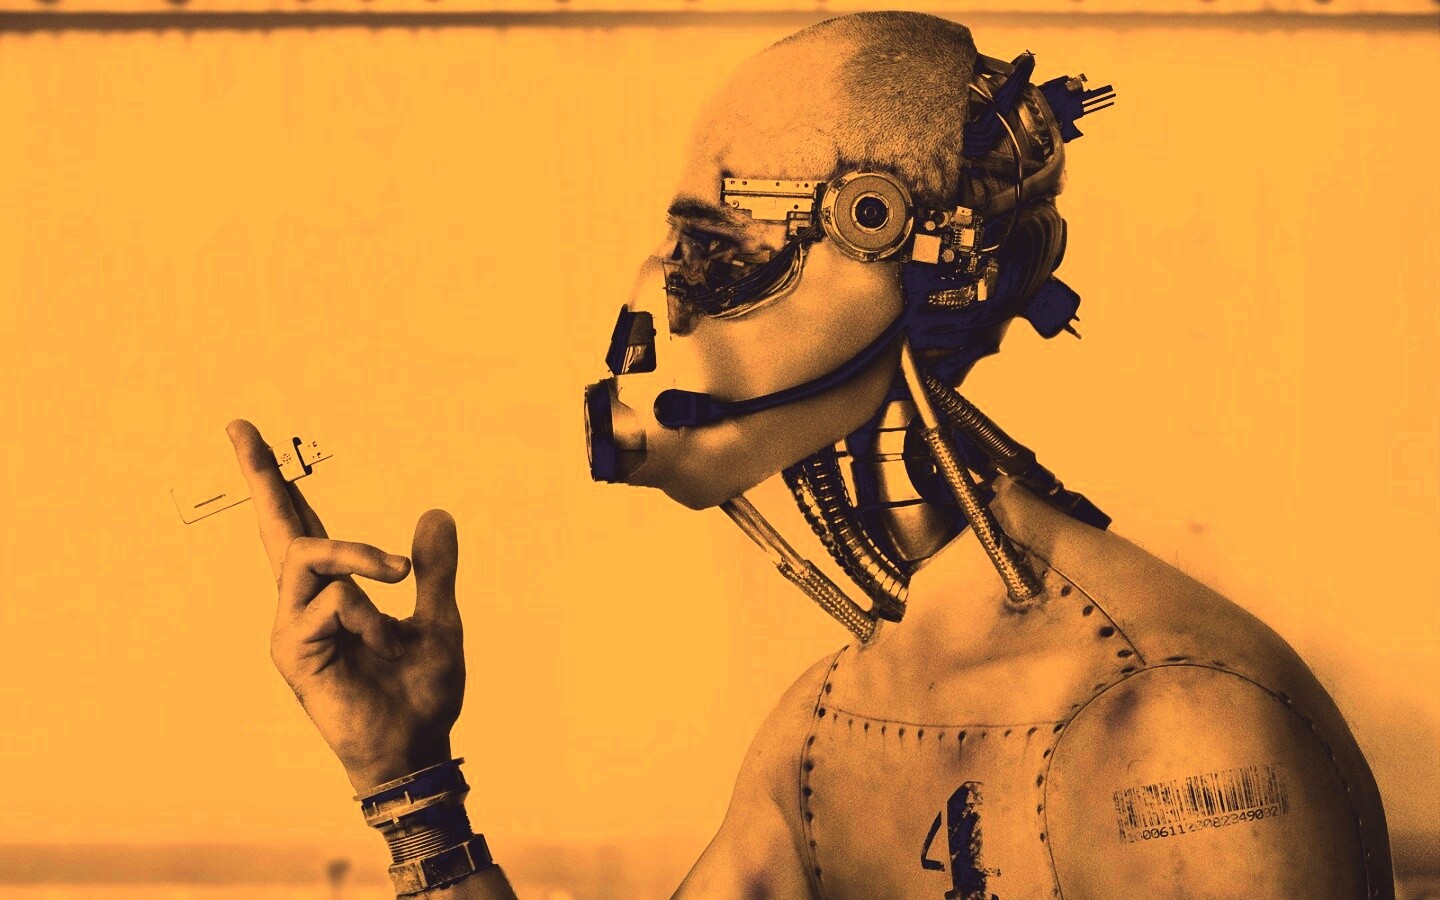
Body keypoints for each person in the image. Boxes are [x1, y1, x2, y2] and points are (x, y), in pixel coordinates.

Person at [227, 12, 1392, 899]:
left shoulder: (1180, 731)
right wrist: (405, 776)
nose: (660, 317)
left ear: (888, 237)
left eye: (722, 253)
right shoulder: (830, 726)